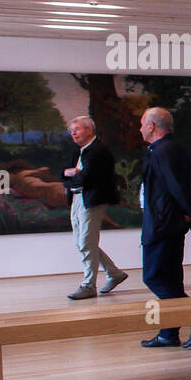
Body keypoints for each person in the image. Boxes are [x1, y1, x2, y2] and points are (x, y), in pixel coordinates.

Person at [138, 107, 191, 349]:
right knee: (171, 279)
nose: (139, 128)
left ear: (152, 126)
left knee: (154, 276)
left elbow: (178, 188)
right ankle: (168, 334)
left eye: (142, 123)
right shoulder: (172, 148)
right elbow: (188, 187)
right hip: (170, 222)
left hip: (162, 224)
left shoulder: (163, 151)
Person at [60, 115, 128, 300]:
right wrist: (71, 175)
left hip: (92, 200)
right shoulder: (79, 150)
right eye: (71, 130)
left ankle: (88, 285)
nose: (73, 133)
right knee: (81, 243)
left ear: (89, 130)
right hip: (77, 198)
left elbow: (85, 178)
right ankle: (114, 273)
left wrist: (72, 176)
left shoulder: (99, 151)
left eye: (77, 129)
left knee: (86, 243)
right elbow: (63, 173)